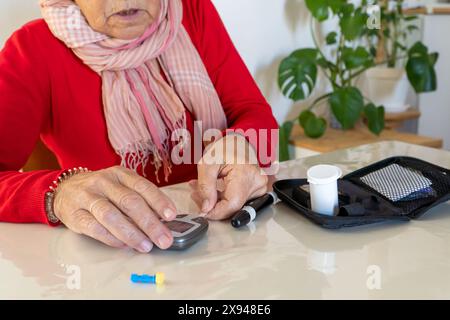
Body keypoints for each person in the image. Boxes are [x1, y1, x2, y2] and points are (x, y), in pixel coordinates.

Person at [0, 0, 278, 253]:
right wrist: (57, 195)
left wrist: (244, 144)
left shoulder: (191, 11)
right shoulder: (32, 48)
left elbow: (255, 114)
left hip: (223, 240)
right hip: (114, 258)